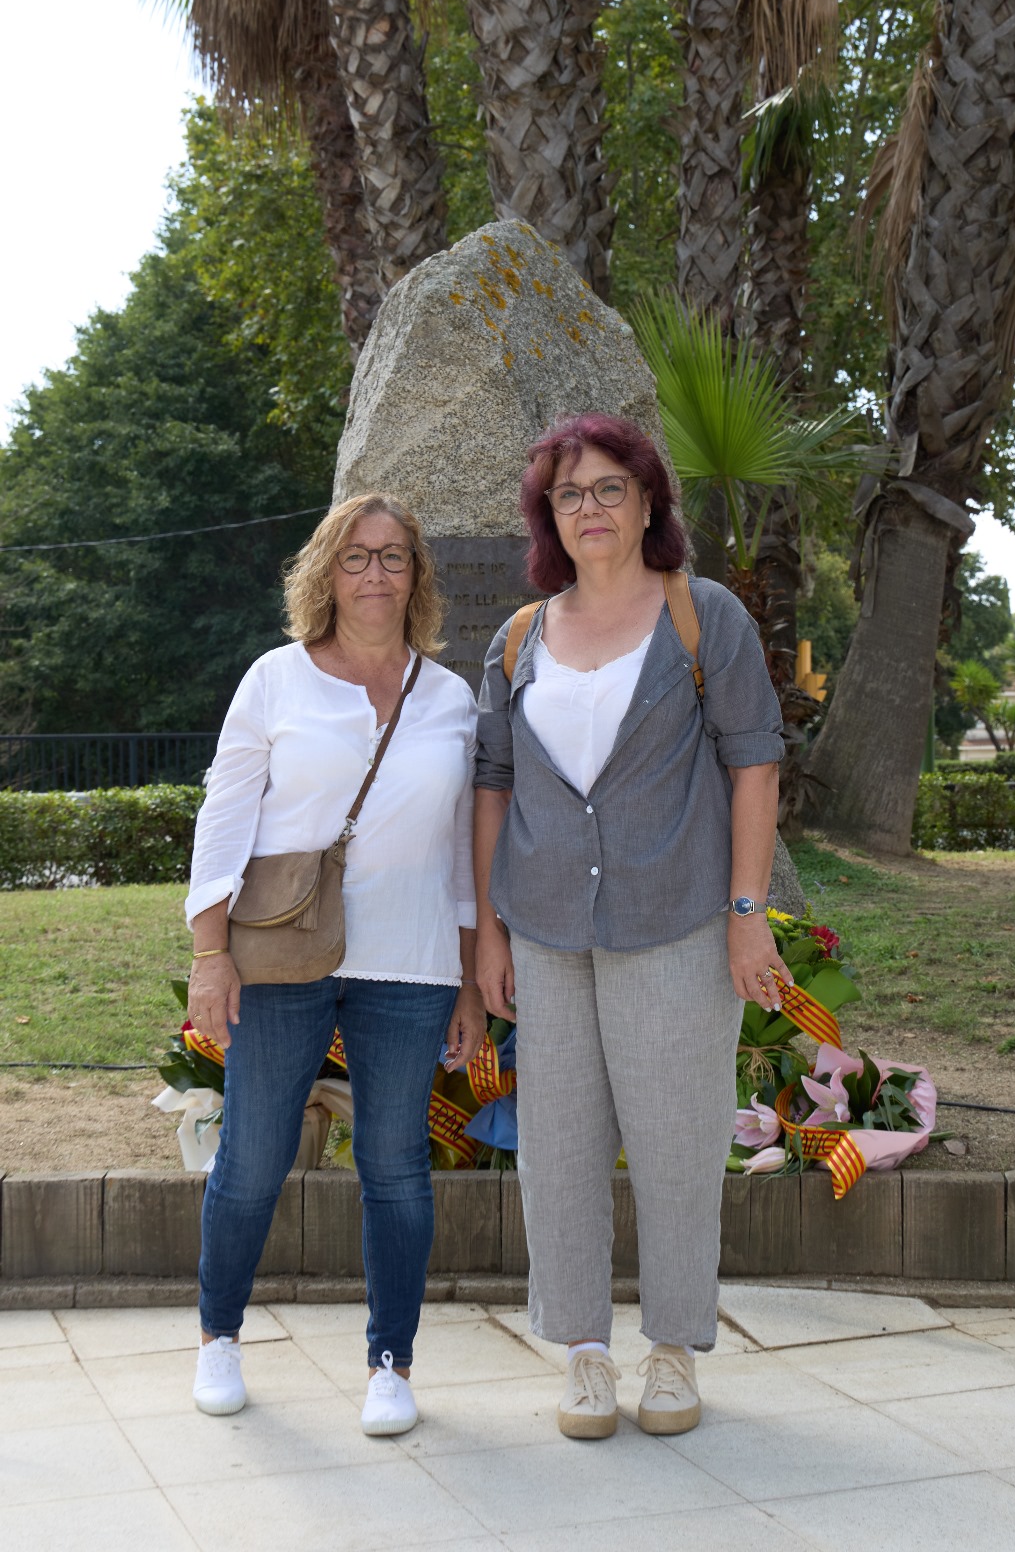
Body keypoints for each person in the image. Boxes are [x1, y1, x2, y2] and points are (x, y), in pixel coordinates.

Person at [474, 413, 790, 1440]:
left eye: (611, 487)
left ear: (649, 501)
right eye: (570, 494)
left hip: (676, 923)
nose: (590, 508)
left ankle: (669, 1352)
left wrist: (748, 915)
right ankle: (584, 1355)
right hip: (549, 934)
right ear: (547, 517)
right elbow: (492, 785)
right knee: (556, 1151)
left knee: (677, 1145)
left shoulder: (704, 619)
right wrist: (489, 929)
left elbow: (753, 764)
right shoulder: (519, 637)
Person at [185, 493, 485, 1436]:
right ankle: (218, 1337)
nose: (376, 574)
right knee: (253, 1157)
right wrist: (208, 955)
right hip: (280, 956)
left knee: (396, 1167)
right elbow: (224, 819)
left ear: (417, 577)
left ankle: (390, 1364)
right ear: (327, 572)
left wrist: (472, 978)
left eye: (395, 557)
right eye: (357, 556)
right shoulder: (275, 680)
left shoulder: (451, 697)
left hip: (413, 962)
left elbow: (464, 851)